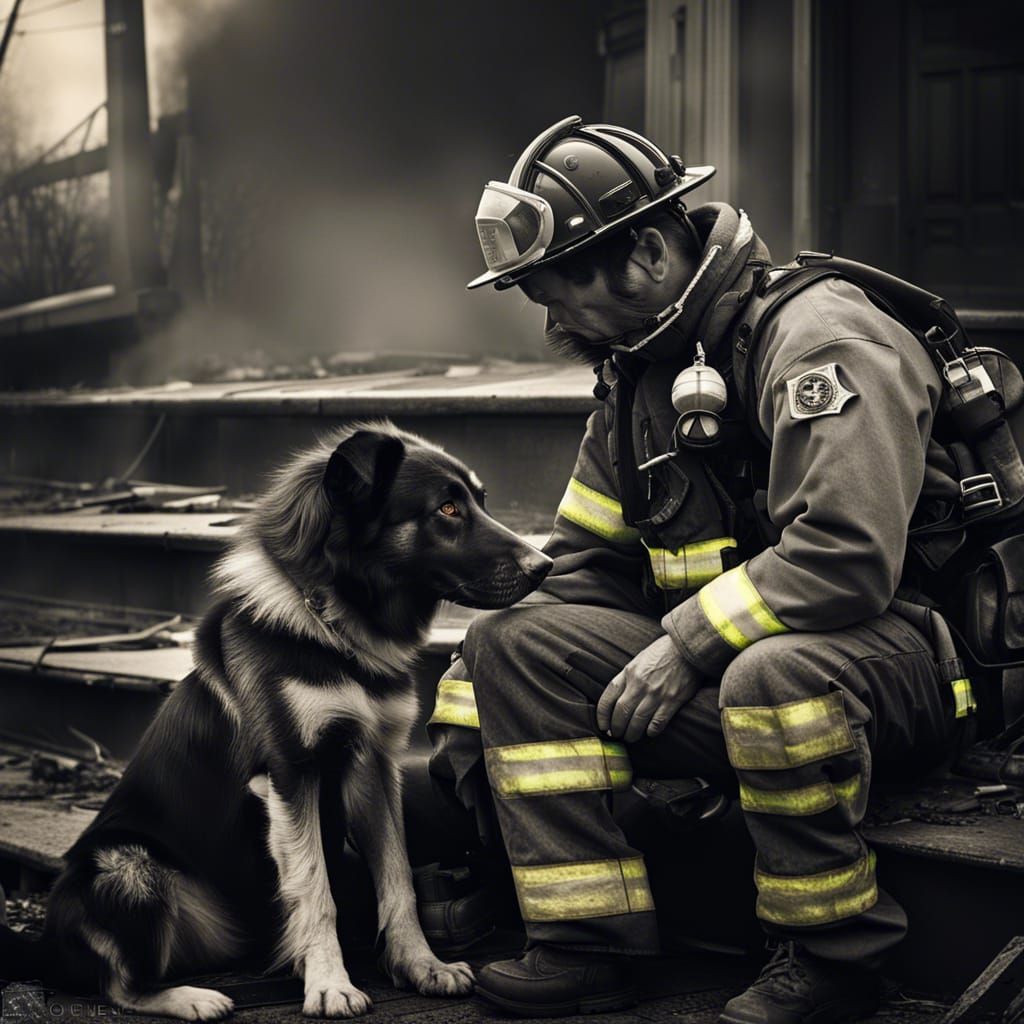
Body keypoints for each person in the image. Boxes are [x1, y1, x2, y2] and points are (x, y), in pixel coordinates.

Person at [427, 115, 977, 1024]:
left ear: (647, 252)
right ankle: (587, 943)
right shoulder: (641, 376)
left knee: (774, 673)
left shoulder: (821, 342)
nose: (553, 324)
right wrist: (485, 667)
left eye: (560, 296)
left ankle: (834, 958)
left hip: (900, 672)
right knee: (510, 645)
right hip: (737, 665)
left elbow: (844, 559)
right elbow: (588, 562)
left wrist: (684, 645)